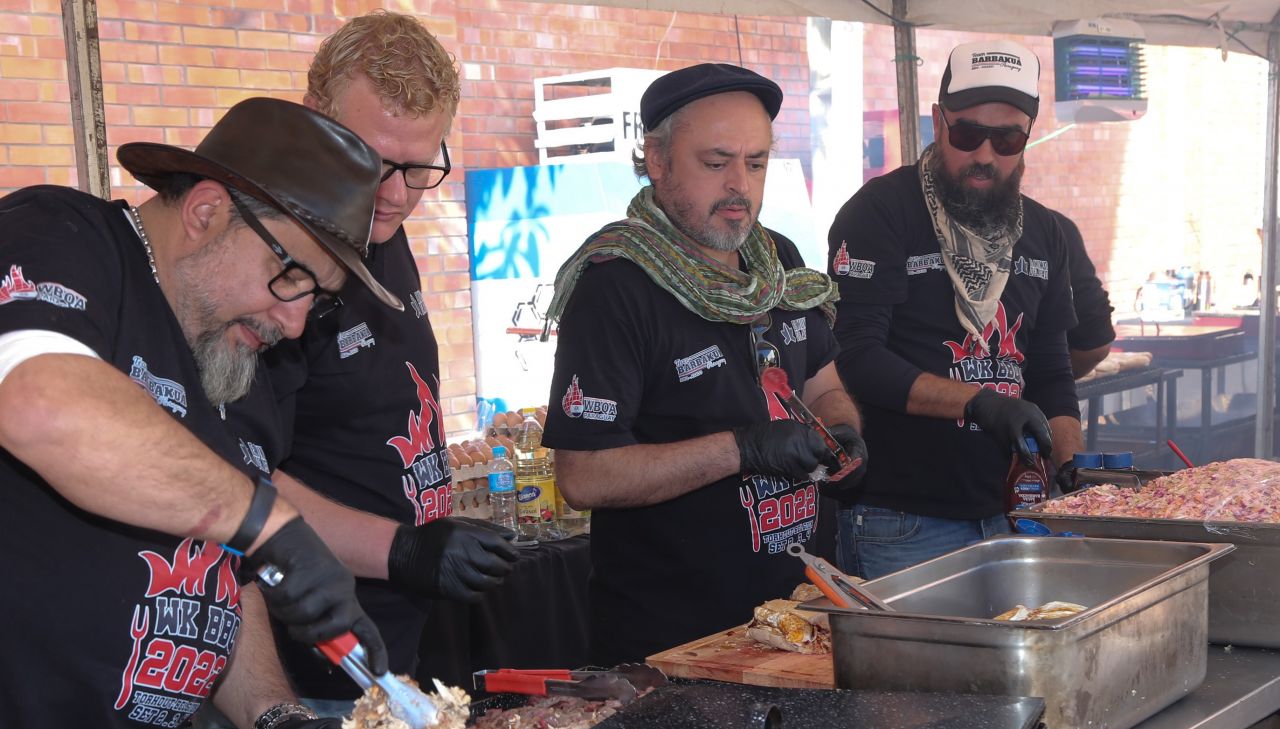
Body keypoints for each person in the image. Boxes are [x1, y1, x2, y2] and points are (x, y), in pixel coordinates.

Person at [0, 97, 392, 728]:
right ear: (207, 212)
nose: (294, 323)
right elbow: (37, 400)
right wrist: (267, 523)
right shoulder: (60, 235)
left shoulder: (234, 360)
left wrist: (272, 712)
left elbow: (222, 580)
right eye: (290, 275)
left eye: (314, 299)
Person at [221, 11, 519, 711]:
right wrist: (404, 549)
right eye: (369, 159)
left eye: (418, 168)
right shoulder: (267, 257)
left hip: (390, 652)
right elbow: (230, 477)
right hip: (295, 668)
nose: (392, 193)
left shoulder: (381, 222)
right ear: (310, 118)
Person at [540, 63, 868, 667]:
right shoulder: (616, 288)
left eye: (757, 163)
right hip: (676, 648)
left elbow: (823, 381)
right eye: (716, 164)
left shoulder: (777, 258)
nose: (740, 186)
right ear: (657, 160)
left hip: (798, 624)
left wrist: (842, 430)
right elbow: (583, 477)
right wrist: (744, 449)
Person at [828, 40, 1084, 580]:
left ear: (1027, 137)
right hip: (903, 519)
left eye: (1007, 137)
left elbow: (1052, 371)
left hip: (1019, 511)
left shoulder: (1045, 232)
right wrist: (979, 403)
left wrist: (1070, 465)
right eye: (967, 134)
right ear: (939, 121)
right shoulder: (880, 212)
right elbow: (856, 356)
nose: (985, 156)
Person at [1051, 210, 1115, 379]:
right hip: (1035, 395)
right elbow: (1095, 345)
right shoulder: (1054, 227)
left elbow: (1095, 339)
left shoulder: (1052, 228)